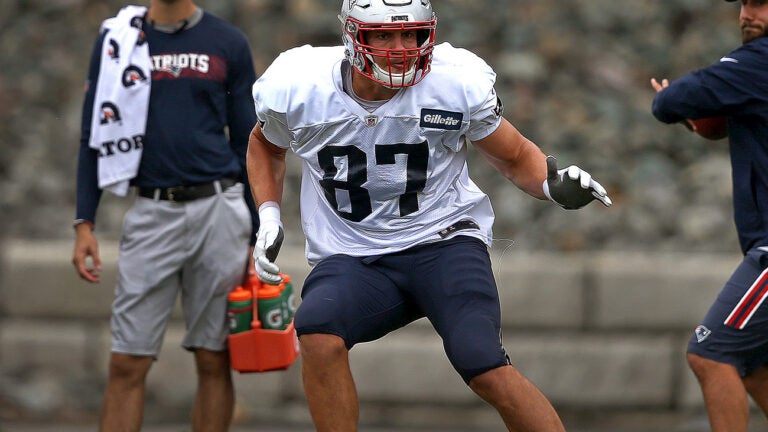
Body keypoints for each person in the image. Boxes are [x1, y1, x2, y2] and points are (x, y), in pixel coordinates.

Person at [247, 1, 611, 431]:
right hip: (353, 255)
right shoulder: (299, 86)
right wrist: (269, 215)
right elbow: (265, 146)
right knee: (317, 331)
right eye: (383, 35)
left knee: (483, 363)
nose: (400, 47)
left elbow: (514, 156)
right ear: (352, 35)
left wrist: (553, 186)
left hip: (444, 241)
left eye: (411, 34)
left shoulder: (453, 82)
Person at [71, 1, 258, 430]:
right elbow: (92, 132)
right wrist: (85, 221)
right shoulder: (118, 39)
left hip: (219, 210)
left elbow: (247, 142)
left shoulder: (228, 41)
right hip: (151, 210)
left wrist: (257, 233)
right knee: (126, 361)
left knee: (214, 357)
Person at [651, 1, 768, 431]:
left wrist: (687, 109)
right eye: (745, 2)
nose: (747, 13)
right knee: (755, 365)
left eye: (761, 2)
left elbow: (669, 102)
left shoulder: (755, 62)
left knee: (711, 353)